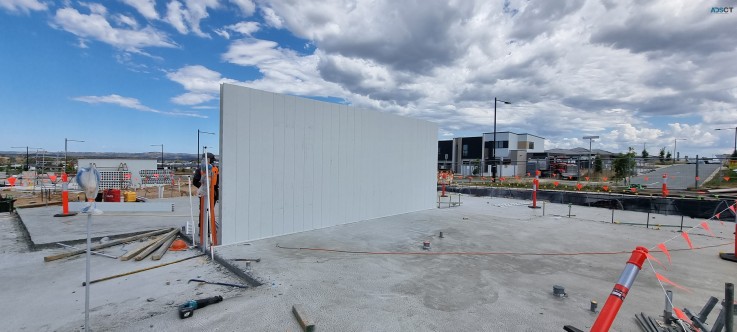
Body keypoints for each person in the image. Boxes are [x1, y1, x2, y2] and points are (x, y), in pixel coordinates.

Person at [193, 152, 219, 246]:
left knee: (208, 211)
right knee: (205, 211)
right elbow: (195, 181)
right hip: (206, 194)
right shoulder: (201, 169)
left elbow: (218, 181)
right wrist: (204, 188)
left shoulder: (214, 169)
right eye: (212, 160)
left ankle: (209, 229)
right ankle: (204, 229)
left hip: (212, 194)